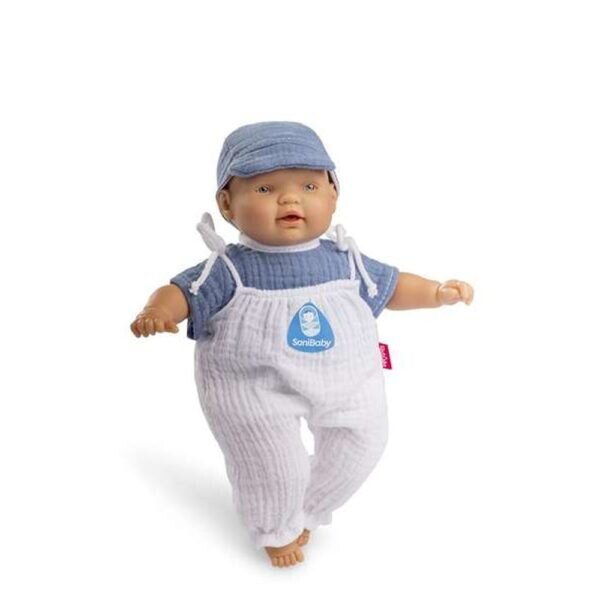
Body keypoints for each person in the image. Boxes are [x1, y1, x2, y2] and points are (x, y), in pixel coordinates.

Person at [130, 121, 474, 568]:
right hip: (254, 387)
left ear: (334, 195)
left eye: (308, 186)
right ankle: (274, 524)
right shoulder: (227, 270)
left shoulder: (346, 261)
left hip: (345, 377)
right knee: (274, 465)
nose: (290, 199)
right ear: (227, 204)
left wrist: (435, 292)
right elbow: (180, 291)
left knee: (364, 442)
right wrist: (158, 310)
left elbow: (392, 287)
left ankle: (308, 507)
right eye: (265, 188)